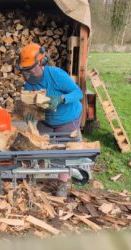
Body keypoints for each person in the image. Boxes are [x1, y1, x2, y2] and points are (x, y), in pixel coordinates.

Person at [18, 43, 83, 197]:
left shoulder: (56, 75)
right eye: (26, 69)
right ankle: (36, 176)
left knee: (63, 150)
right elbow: (30, 105)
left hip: (68, 117)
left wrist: (61, 99)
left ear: (42, 62)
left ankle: (62, 183)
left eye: (32, 67)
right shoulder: (29, 84)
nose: (30, 72)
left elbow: (78, 92)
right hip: (46, 120)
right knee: (38, 145)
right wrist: (30, 113)